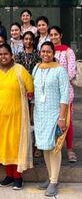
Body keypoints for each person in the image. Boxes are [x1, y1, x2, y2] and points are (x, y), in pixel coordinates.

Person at [0, 44, 34, 190]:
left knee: (14, 145)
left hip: (16, 116)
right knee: (4, 145)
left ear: (12, 55)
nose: (3, 57)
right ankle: (9, 176)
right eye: (1, 54)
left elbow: (30, 89)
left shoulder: (20, 70)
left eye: (6, 54)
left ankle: (18, 177)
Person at [33, 41, 70, 197]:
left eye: (49, 51)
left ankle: (54, 181)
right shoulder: (36, 68)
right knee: (45, 146)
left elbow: (65, 95)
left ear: (53, 53)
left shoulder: (60, 70)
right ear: (40, 53)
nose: (46, 54)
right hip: (40, 114)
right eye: (43, 51)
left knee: (54, 147)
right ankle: (50, 177)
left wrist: (62, 117)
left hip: (55, 113)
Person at [49, 26, 78, 163]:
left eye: (56, 34)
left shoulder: (68, 51)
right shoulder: (47, 51)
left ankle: (70, 149)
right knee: (53, 120)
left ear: (60, 35)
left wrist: (58, 82)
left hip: (66, 91)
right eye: (51, 35)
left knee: (67, 121)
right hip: (51, 93)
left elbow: (71, 72)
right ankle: (56, 146)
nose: (54, 37)